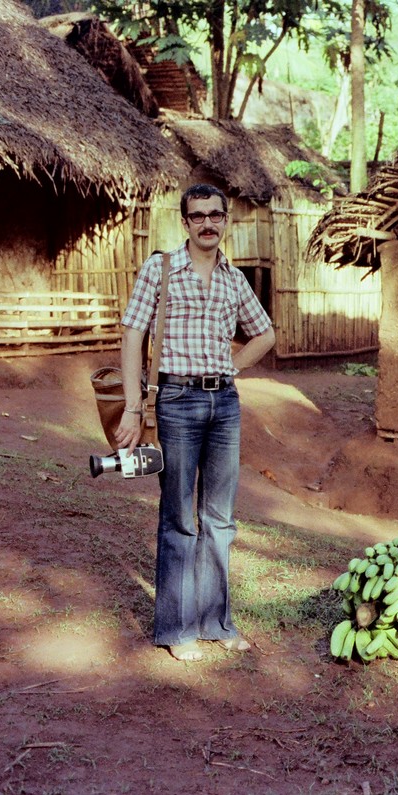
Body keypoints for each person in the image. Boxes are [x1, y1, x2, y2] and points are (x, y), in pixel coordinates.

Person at [115, 183, 276, 662]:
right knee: (179, 518)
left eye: (216, 215)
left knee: (220, 519)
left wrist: (235, 366)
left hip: (224, 403)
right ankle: (176, 628)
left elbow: (264, 332)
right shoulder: (161, 268)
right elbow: (131, 336)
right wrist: (131, 405)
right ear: (184, 222)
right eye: (198, 215)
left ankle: (216, 622)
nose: (208, 223)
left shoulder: (233, 278)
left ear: (226, 221)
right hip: (177, 400)